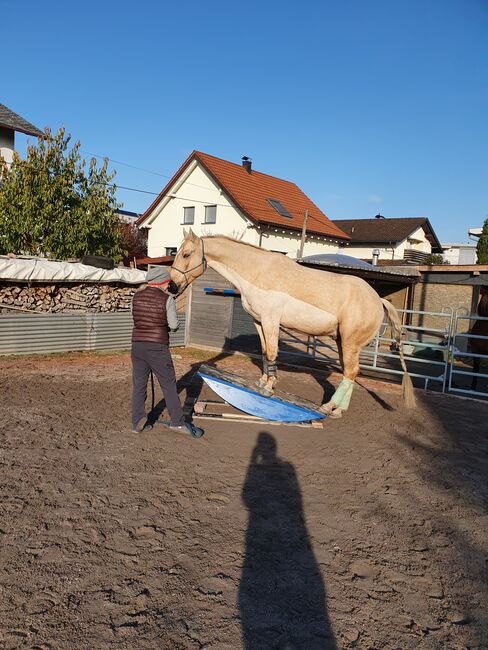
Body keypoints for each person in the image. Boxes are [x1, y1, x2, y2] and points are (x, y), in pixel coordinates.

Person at [131, 266, 204, 438]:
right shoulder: (167, 299)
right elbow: (173, 325)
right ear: (163, 282)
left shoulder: (136, 296)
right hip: (157, 347)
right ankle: (177, 423)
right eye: (167, 283)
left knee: (139, 385)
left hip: (137, 345)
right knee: (169, 385)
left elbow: (134, 318)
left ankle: (137, 423)